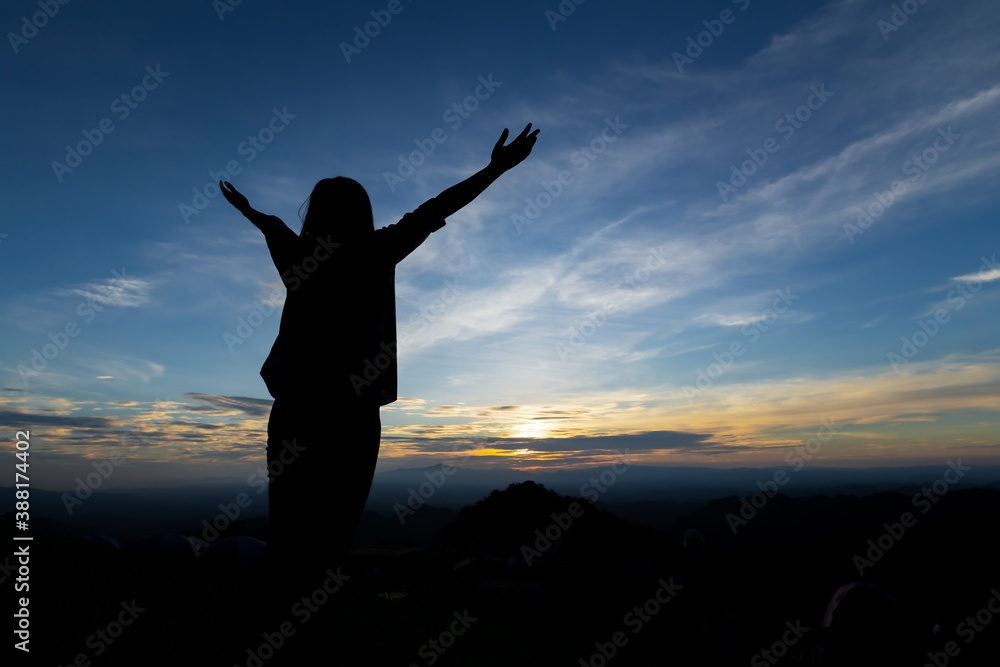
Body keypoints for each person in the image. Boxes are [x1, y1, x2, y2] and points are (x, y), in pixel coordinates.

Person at [219, 124, 540, 623]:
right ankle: (300, 626)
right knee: (331, 536)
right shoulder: (376, 252)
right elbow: (438, 208)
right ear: (362, 215)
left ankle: (267, 628)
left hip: (297, 414)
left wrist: (247, 210)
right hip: (351, 417)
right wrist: (495, 169)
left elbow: (273, 225)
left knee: (289, 533)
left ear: (316, 214)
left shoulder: (297, 255)